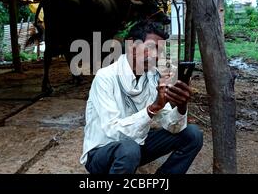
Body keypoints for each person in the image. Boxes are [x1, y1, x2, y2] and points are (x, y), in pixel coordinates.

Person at [80, 20, 203, 174]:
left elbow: (172, 126)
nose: (156, 56)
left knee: (192, 135)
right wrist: (153, 108)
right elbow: (112, 132)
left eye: (160, 51)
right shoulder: (106, 77)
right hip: (101, 153)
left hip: (135, 147)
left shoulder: (152, 76)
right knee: (128, 149)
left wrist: (181, 105)